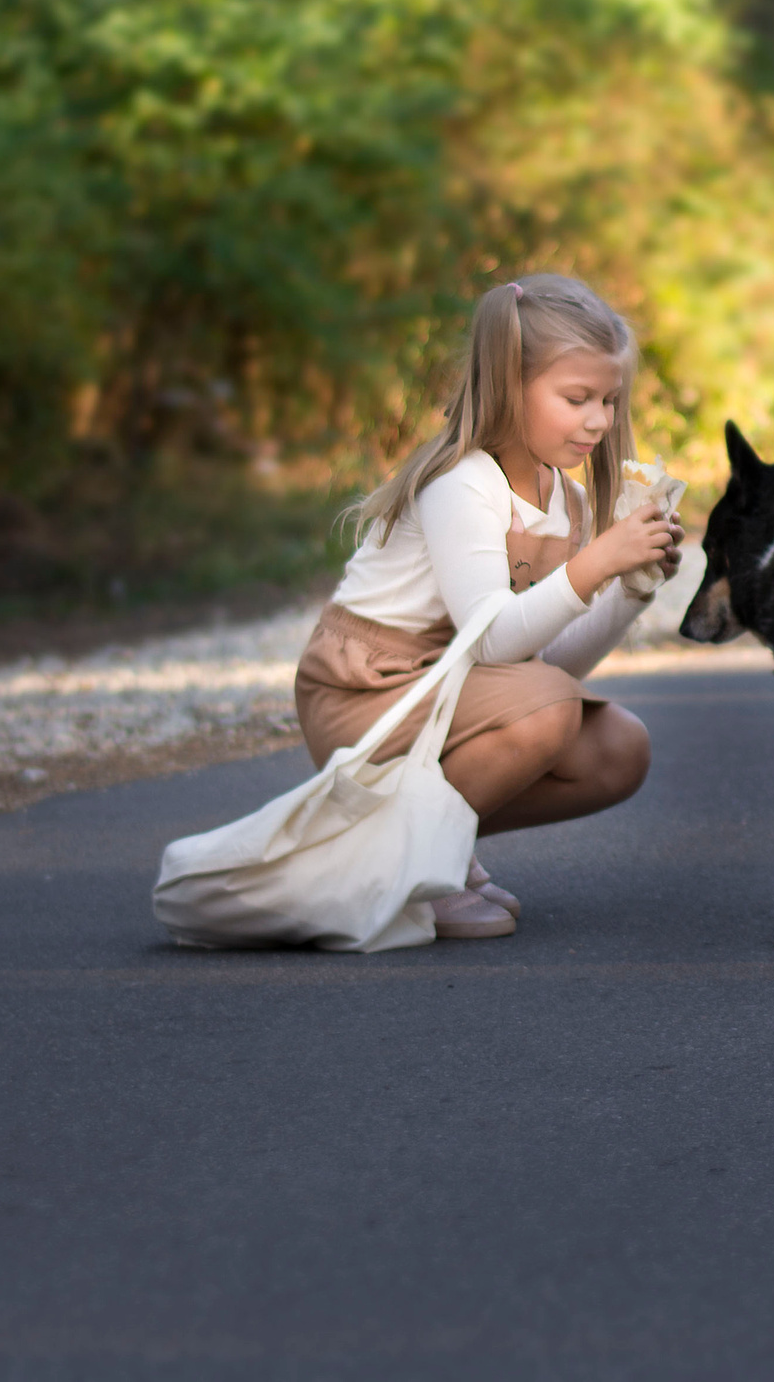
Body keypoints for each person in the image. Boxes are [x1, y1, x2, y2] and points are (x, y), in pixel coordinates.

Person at [293, 274, 683, 940]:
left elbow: (540, 660)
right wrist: (594, 563)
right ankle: (413, 862)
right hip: (368, 688)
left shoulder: (566, 500)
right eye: (577, 399)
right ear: (509, 385)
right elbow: (494, 642)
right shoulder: (463, 482)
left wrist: (627, 587)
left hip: (449, 687)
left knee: (619, 748)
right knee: (549, 708)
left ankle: (435, 838)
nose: (599, 420)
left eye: (610, 400)